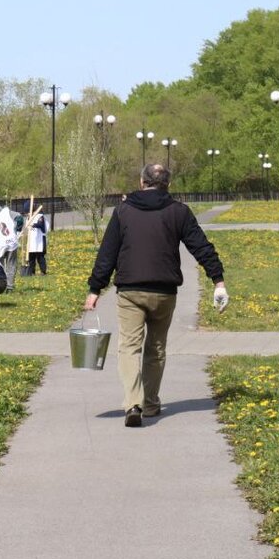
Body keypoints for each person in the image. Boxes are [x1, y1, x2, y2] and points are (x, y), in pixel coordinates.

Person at [84, 164, 228, 428]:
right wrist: (218, 281)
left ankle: (133, 403)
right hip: (164, 292)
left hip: (130, 292)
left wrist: (95, 288)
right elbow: (200, 246)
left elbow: (107, 253)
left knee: (129, 346)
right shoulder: (179, 212)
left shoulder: (123, 211)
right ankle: (150, 403)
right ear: (168, 185)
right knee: (156, 348)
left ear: (142, 182)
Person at [27, 208, 48, 275]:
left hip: (40, 240)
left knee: (40, 257)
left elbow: (41, 225)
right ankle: (32, 272)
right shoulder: (28, 217)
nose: (27, 213)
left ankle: (43, 271)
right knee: (31, 257)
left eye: (28, 212)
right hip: (32, 240)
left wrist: (33, 225)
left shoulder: (40, 216)